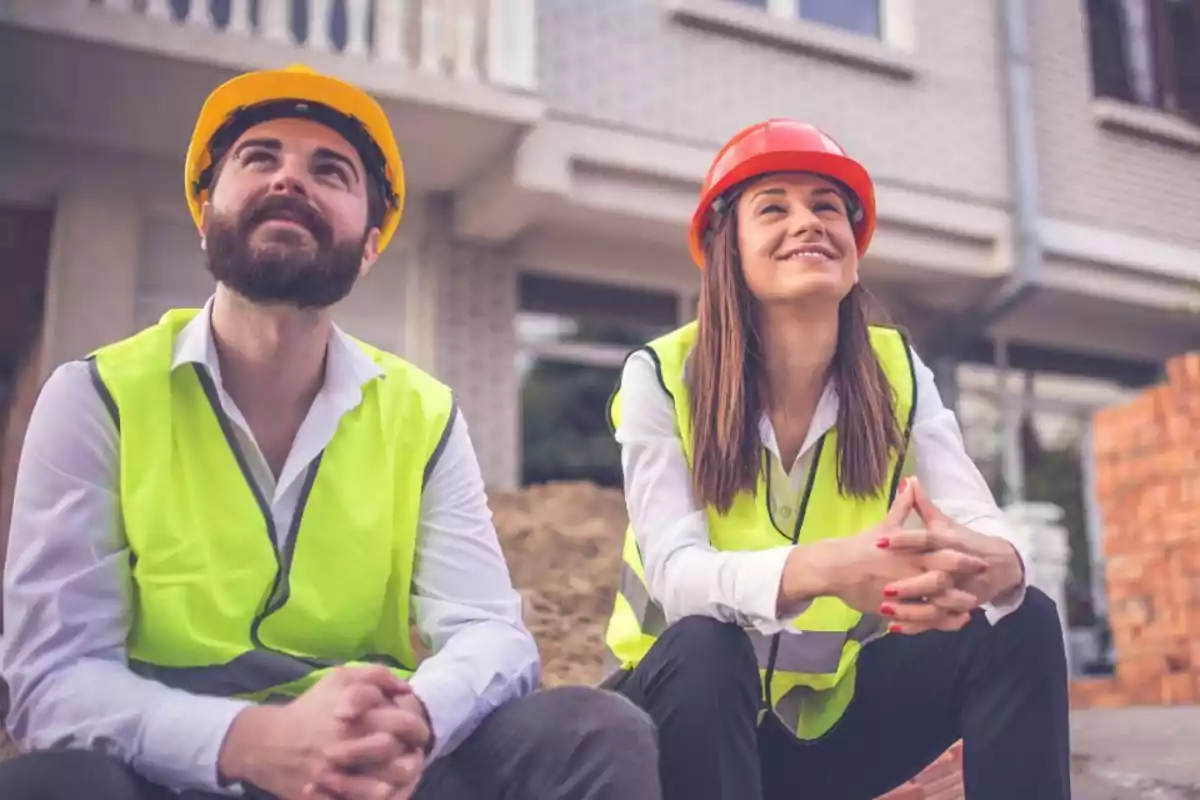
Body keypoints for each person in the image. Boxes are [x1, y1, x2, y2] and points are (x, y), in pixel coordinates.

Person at [0, 65, 660, 800]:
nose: (289, 180)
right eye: (260, 158)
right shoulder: (96, 397)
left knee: (594, 733)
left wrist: (409, 721)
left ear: (371, 245)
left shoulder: (423, 413)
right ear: (204, 213)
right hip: (175, 772)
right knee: (52, 783)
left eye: (329, 170)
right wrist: (248, 744)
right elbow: (51, 679)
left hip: (375, 771)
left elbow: (490, 633)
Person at [599, 119, 1071, 800]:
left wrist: (995, 563)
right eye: (774, 208)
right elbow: (677, 577)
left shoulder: (896, 370)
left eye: (827, 207)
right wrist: (828, 568)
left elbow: (971, 512)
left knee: (1019, 615)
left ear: (854, 252)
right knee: (706, 643)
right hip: (680, 734)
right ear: (724, 247)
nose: (808, 223)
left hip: (817, 740)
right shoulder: (662, 375)